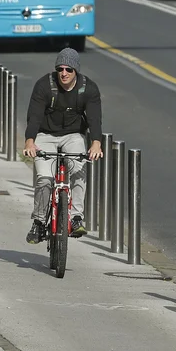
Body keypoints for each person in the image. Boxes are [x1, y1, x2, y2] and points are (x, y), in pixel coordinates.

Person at [22, 48, 103, 244]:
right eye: (60, 69)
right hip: (45, 134)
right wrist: (30, 142)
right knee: (44, 179)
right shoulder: (44, 86)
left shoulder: (88, 88)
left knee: (79, 170)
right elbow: (34, 117)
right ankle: (39, 222)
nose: (64, 73)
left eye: (69, 69)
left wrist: (96, 144)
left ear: (76, 71)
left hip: (73, 135)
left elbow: (94, 119)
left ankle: (76, 217)